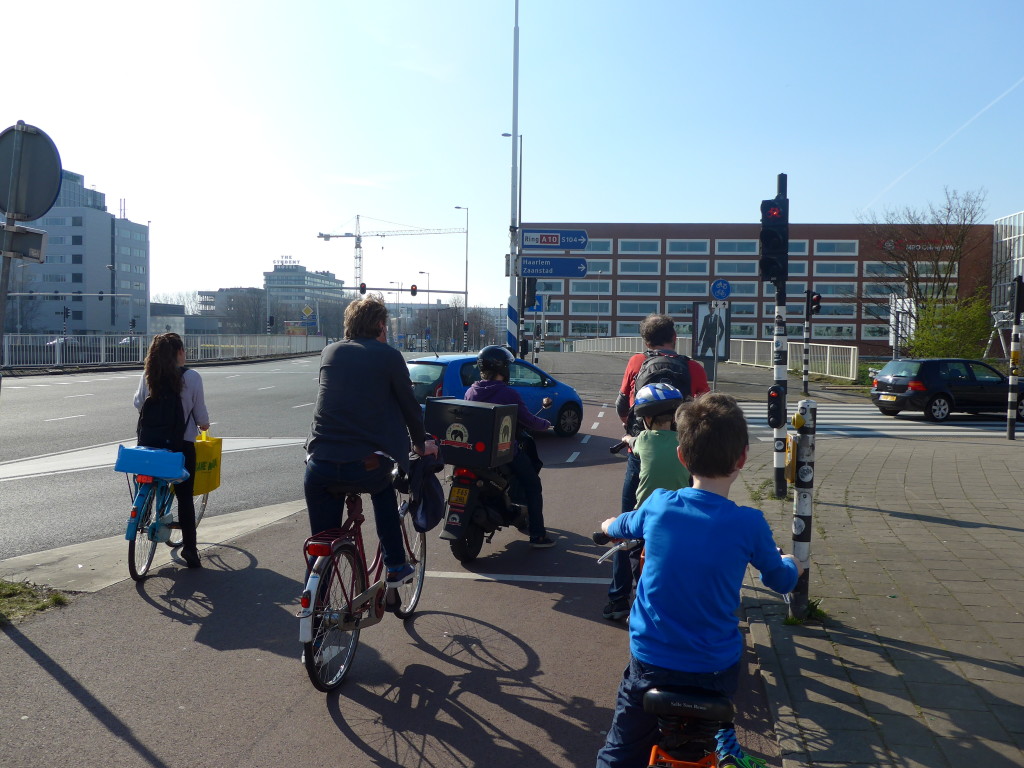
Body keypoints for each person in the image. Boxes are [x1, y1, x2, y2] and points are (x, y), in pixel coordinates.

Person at [596, 393, 803, 768]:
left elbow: (623, 523)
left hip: (652, 663)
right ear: (741, 458)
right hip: (715, 671)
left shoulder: (659, 505)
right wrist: (794, 566)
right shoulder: (749, 524)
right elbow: (780, 580)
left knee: (619, 752)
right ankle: (722, 744)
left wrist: (607, 525)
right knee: (712, 723)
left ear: (681, 455)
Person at [304, 294, 437, 587]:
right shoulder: (388, 355)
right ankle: (396, 565)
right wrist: (418, 443)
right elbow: (409, 407)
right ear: (379, 324)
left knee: (322, 544)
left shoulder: (330, 352)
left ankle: (315, 615)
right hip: (363, 466)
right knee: (383, 490)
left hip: (318, 464)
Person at [605, 314, 710, 620]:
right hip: (682, 452)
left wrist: (635, 433)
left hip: (642, 448)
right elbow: (704, 411)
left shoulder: (637, 361)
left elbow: (622, 405)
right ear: (674, 338)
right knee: (685, 523)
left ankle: (617, 599)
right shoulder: (693, 367)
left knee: (628, 523)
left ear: (645, 340)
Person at [463, 345, 555, 549]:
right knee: (533, 483)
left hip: (475, 454)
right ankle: (538, 535)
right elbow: (529, 420)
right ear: (502, 369)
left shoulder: (471, 392)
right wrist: (546, 424)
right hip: (503, 452)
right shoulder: (508, 394)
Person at [133, 333, 210, 569]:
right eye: (183, 350)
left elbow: (138, 403)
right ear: (178, 352)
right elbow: (202, 418)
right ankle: (190, 550)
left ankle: (143, 514)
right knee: (185, 496)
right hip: (180, 447)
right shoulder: (192, 377)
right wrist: (203, 426)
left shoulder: (149, 376)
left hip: (150, 445)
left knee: (147, 478)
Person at [620, 383, 690, 507]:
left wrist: (626, 438)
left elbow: (632, 441)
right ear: (674, 418)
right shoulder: (684, 441)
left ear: (647, 418)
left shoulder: (644, 438)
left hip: (646, 511)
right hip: (679, 509)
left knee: (620, 522)